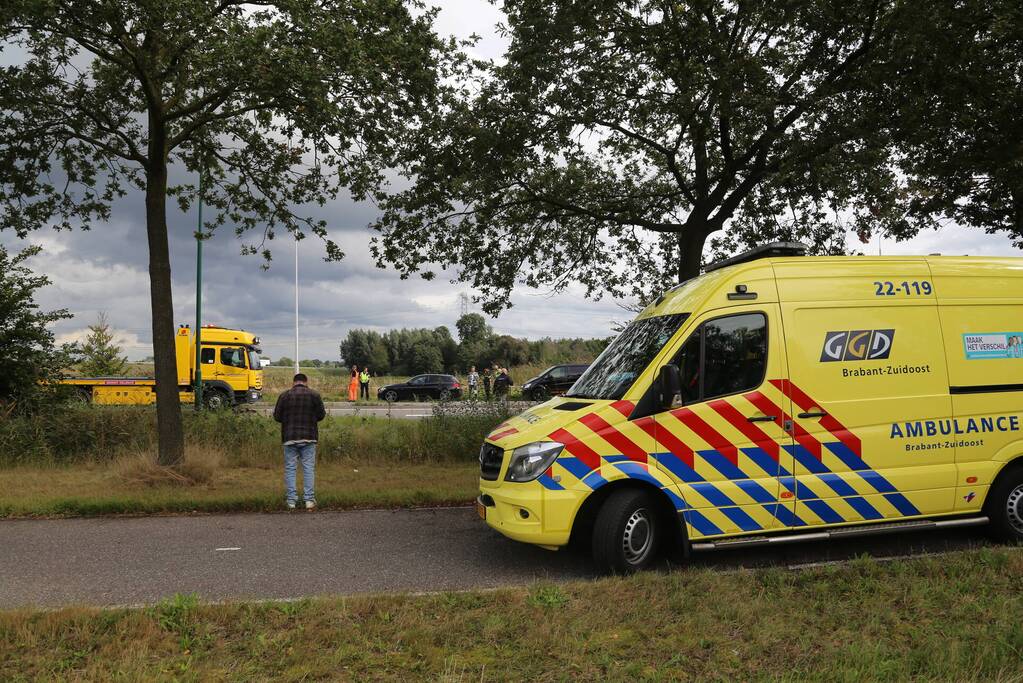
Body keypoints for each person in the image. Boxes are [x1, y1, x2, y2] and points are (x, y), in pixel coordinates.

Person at [273, 373, 326, 510]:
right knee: (308, 468)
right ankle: (309, 500)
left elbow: (277, 417)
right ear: (306, 382)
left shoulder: (284, 396)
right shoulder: (314, 395)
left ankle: (291, 501)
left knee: (290, 469)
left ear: (294, 382)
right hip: (309, 436)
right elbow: (321, 415)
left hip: (289, 437)